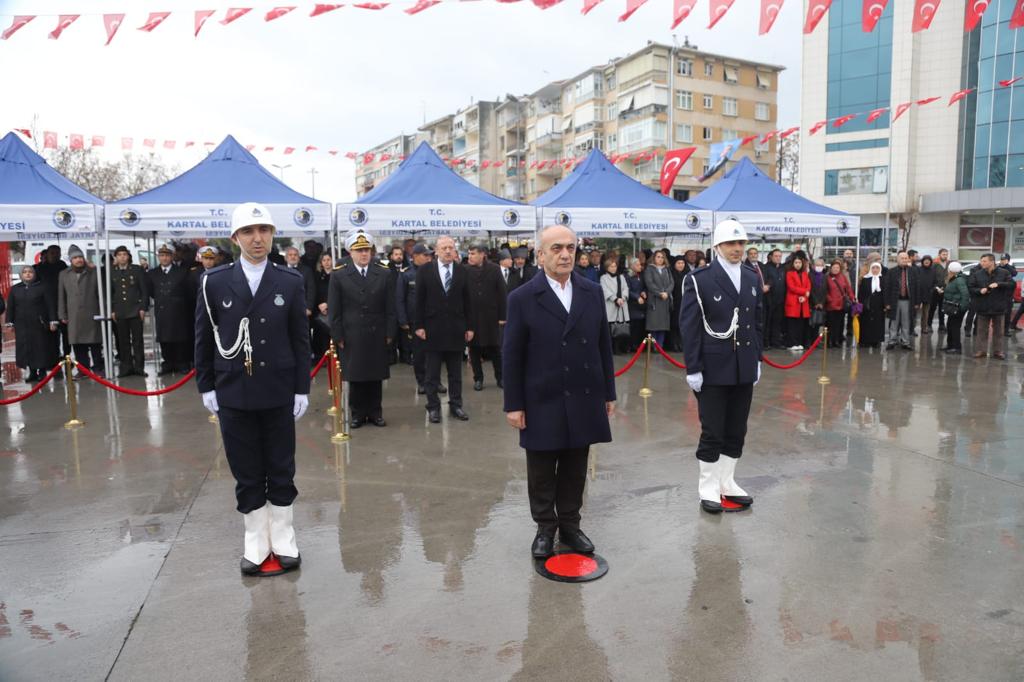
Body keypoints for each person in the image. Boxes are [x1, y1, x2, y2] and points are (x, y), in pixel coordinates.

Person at [195, 202, 311, 576]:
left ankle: (284, 538)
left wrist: (301, 388)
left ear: (273, 234)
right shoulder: (214, 281)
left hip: (278, 389)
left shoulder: (290, 281)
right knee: (246, 469)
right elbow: (203, 337)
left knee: (280, 467)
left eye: (264, 230)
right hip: (234, 391)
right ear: (235, 238)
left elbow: (299, 339)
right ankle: (255, 542)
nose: (257, 238)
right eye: (248, 231)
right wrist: (206, 385)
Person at [503, 223, 616, 558]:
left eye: (570, 247)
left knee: (575, 465)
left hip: (583, 394)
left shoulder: (590, 291)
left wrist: (608, 393)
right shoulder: (522, 298)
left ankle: (570, 524)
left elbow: (602, 345)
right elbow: (512, 355)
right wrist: (514, 404)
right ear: (540, 255)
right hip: (542, 396)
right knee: (540, 467)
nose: (565, 254)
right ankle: (544, 527)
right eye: (556, 248)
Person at [679, 220, 761, 514]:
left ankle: (727, 481)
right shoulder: (700, 279)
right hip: (713, 367)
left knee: (736, 429)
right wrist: (693, 368)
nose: (737, 249)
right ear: (718, 247)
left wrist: (758, 359)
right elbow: (689, 327)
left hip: (744, 365)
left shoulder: (751, 277)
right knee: (713, 430)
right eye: (730, 244)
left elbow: (757, 322)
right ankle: (708, 487)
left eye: (741, 244)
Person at [328, 231, 396, 428]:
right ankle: (357, 413)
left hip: (377, 332)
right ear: (350, 252)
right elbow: (334, 309)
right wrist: (338, 334)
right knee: (355, 376)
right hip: (352, 333)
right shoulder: (339, 275)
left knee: (375, 375)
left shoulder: (384, 273)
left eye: (366, 250)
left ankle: (375, 412)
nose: (364, 254)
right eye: (359, 251)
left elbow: (390, 307)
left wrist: (390, 333)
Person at [414, 236, 475, 424]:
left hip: (456, 329)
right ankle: (433, 407)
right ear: (437, 251)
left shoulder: (463, 271)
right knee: (432, 373)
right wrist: (419, 326)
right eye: (444, 248)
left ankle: (456, 404)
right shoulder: (425, 271)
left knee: (455, 373)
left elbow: (468, 301)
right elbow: (419, 300)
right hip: (433, 329)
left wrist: (470, 327)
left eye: (451, 247)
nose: (448, 251)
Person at [397, 244, 445, 395]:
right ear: (415, 256)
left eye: (430, 255)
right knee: (419, 354)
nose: (428, 258)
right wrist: (403, 320)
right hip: (415, 321)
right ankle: (422, 382)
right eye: (425, 255)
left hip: (434, 319)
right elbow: (400, 299)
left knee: (435, 353)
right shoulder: (406, 274)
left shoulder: (435, 271)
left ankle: (436, 381)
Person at [5, 265, 58, 383]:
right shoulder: (15, 289)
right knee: (26, 348)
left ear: (34, 274)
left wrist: (53, 321)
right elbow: (11, 307)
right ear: (21, 275)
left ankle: (42, 371)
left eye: (30, 272)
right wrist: (9, 322)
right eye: (25, 272)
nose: (28, 274)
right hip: (21, 325)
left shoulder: (42, 287)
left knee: (40, 347)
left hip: (39, 324)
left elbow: (50, 305)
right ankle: (32, 372)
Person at [57, 245, 104, 377]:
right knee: (78, 345)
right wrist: (62, 314)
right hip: (74, 315)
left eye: (80, 257)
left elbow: (101, 293)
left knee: (95, 343)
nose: (78, 260)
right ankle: (83, 370)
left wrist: (103, 311)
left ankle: (98, 368)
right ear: (71, 260)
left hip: (92, 312)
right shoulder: (64, 274)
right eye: (75, 258)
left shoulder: (93, 272)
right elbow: (61, 296)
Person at [147, 244, 193, 375]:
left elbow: (188, 291)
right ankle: (167, 363)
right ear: (158, 257)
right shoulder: (152, 273)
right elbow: (151, 291)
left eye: (167, 255)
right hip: (162, 310)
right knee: (164, 338)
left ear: (172, 256)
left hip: (179, 310)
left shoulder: (182, 272)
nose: (164, 258)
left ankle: (181, 363)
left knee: (180, 338)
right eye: (162, 255)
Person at [465, 244, 507, 391]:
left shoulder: (494, 269)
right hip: (473, 317)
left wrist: (503, 315)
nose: (470, 256)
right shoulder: (465, 270)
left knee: (496, 349)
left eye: (473, 253)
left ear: (482, 254)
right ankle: (478, 379)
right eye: (469, 254)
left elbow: (502, 293)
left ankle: (500, 378)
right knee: (474, 349)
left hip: (491, 316)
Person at [110, 246, 150, 377]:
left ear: (128, 256)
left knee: (137, 340)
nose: (122, 257)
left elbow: (144, 291)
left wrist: (143, 307)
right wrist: (112, 309)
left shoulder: (136, 270)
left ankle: (139, 367)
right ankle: (126, 367)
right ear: (115, 257)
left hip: (135, 310)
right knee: (123, 341)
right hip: (120, 311)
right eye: (119, 254)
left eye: (124, 254)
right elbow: (110, 293)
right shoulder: (112, 271)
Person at [967, 253, 1012, 359]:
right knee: (981, 330)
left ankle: (998, 351)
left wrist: (999, 284)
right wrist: (979, 290)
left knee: (998, 331)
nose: (982, 263)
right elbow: (971, 287)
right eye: (981, 261)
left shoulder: (1004, 272)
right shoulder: (977, 274)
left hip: (999, 306)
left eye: (984, 261)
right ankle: (981, 351)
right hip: (983, 305)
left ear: (992, 262)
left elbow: (1011, 284)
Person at [34, 244, 69, 360]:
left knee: (66, 334)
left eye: (57, 253)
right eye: (52, 253)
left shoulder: (63, 266)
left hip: (63, 303)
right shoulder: (40, 268)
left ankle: (67, 356)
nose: (55, 255)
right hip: (47, 305)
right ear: (47, 254)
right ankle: (54, 356)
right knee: (51, 334)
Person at [883, 250, 919, 351]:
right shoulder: (891, 271)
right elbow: (887, 288)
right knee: (894, 321)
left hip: (908, 301)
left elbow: (917, 287)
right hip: (894, 301)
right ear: (897, 260)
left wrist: (917, 302)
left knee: (906, 322)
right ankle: (892, 341)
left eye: (905, 258)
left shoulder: (913, 271)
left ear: (908, 259)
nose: (904, 260)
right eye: (902, 258)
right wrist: (887, 303)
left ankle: (905, 342)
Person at [643, 249, 673, 348]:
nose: (660, 259)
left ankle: (660, 346)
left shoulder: (667, 269)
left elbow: (672, 283)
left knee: (663, 326)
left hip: (665, 300)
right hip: (655, 300)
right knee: (654, 325)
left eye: (662, 257)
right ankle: (654, 347)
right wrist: (660, 293)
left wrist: (667, 292)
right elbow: (649, 284)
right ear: (654, 258)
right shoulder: (649, 269)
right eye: (658, 257)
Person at [600, 258, 630, 354]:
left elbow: (626, 288)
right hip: (611, 305)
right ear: (607, 268)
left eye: (614, 266)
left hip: (621, 304)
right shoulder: (603, 278)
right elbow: (604, 290)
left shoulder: (621, 277)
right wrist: (615, 299)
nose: (613, 268)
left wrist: (623, 298)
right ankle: (610, 348)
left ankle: (619, 347)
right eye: (611, 266)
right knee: (611, 328)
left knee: (620, 327)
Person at [825, 260, 855, 348]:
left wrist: (852, 298)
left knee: (839, 324)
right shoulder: (827, 277)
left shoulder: (842, 277)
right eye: (834, 267)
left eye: (837, 268)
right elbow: (825, 290)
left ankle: (837, 341)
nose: (835, 269)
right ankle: (829, 341)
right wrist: (829, 299)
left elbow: (848, 289)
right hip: (831, 305)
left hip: (841, 304)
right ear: (831, 268)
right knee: (830, 324)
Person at [783, 256, 811, 350]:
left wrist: (805, 297)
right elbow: (791, 287)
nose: (798, 264)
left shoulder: (805, 273)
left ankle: (798, 342)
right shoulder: (789, 273)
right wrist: (804, 292)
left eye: (799, 262)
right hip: (793, 301)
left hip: (803, 302)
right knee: (792, 324)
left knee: (800, 324)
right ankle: (791, 343)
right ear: (793, 264)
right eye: (796, 262)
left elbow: (808, 286)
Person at [941, 262, 969, 355]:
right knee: (950, 326)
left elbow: (965, 294)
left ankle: (957, 348)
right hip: (953, 306)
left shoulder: (959, 280)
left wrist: (962, 308)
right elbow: (953, 291)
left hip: (958, 307)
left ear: (951, 270)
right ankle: (950, 345)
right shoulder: (954, 279)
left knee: (955, 327)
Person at [857, 262, 886, 348]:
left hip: (879, 305)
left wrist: (885, 305)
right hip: (867, 305)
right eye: (873, 268)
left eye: (877, 268)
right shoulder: (865, 279)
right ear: (870, 269)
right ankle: (865, 340)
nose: (875, 270)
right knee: (866, 322)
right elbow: (861, 293)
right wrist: (861, 304)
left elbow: (885, 292)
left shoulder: (883, 279)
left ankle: (875, 341)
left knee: (877, 323)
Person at [311, 252, 333, 360]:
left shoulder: (337, 274)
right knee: (321, 335)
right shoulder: (317, 276)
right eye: (324, 260)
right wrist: (320, 305)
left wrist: (328, 304)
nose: (327, 262)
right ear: (321, 263)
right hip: (320, 310)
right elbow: (314, 292)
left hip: (333, 308)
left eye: (328, 259)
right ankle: (322, 358)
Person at [762, 248, 785, 349]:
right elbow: (765, 281)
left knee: (777, 322)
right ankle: (766, 342)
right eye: (776, 256)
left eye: (780, 256)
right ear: (771, 257)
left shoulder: (783, 268)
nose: (778, 258)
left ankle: (776, 342)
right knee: (768, 322)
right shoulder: (766, 267)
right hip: (769, 299)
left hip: (780, 300)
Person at [625, 258, 647, 352]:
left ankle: (638, 345)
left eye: (640, 265)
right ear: (632, 266)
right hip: (632, 304)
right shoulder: (628, 276)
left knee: (639, 326)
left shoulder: (641, 276)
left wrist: (644, 292)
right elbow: (627, 290)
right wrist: (637, 297)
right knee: (633, 326)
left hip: (641, 304)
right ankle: (630, 345)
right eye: (637, 265)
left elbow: (644, 287)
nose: (640, 267)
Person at [997, 254, 1018, 336]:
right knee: (998, 313)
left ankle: (1006, 330)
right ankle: (998, 330)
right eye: (1002, 259)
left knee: (1007, 313)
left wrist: (1006, 265)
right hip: (998, 295)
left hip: (1008, 295)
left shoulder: (1010, 268)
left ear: (1008, 260)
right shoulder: (997, 267)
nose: (1002, 261)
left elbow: (1014, 273)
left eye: (1004, 259)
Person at [929, 248, 949, 331]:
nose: (945, 256)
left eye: (946, 254)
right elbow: (931, 279)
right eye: (943, 254)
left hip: (945, 290)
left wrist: (945, 288)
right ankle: (929, 325)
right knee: (932, 308)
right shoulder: (934, 265)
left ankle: (941, 325)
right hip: (935, 290)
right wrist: (936, 288)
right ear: (939, 255)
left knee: (943, 308)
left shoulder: (949, 265)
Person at [917, 255, 936, 335]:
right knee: (914, 313)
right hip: (918, 294)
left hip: (928, 294)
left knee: (926, 313)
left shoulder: (933, 271)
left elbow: (935, 282)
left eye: (928, 260)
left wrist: (932, 289)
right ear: (922, 261)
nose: (927, 261)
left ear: (931, 262)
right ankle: (912, 329)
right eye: (925, 260)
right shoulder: (918, 269)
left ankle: (924, 328)